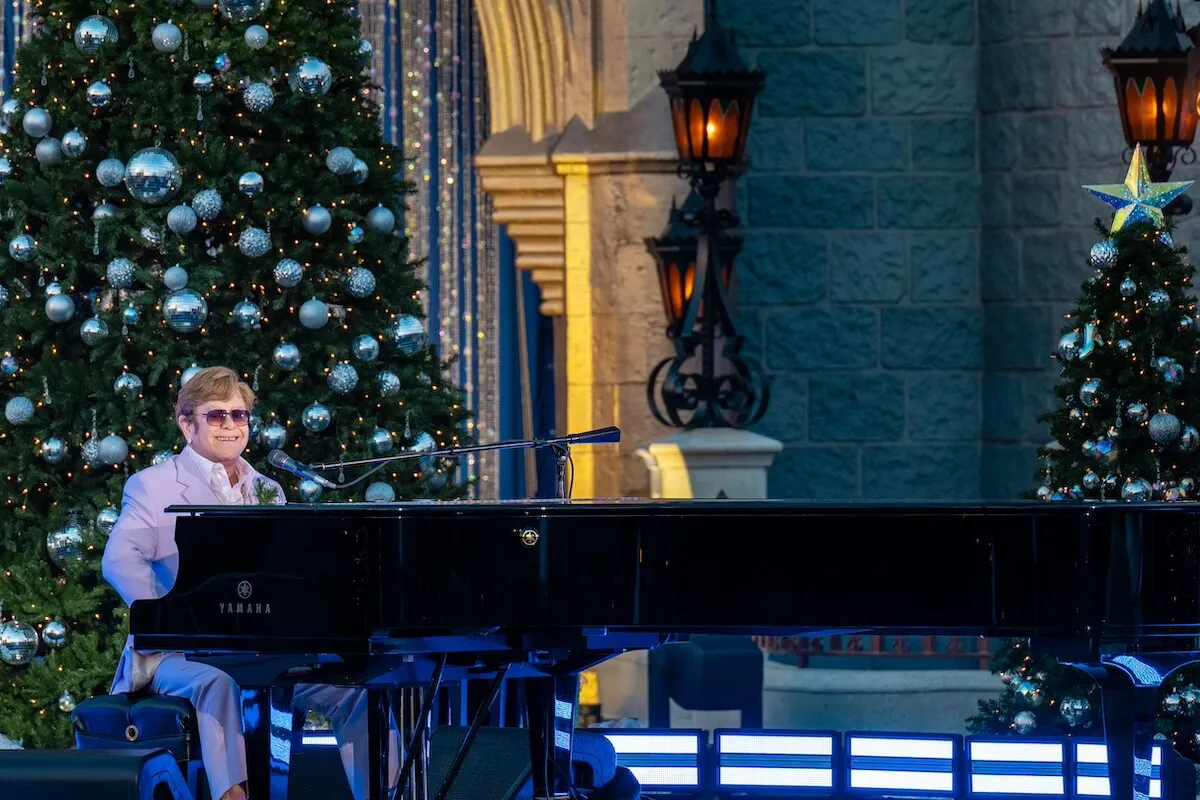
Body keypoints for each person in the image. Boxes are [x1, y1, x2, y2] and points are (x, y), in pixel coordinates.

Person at [102, 366, 399, 800]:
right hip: (179, 651)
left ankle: (388, 792)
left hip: (259, 647)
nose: (230, 425)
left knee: (354, 692)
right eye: (216, 415)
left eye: (238, 416)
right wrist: (169, 615)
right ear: (187, 424)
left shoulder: (268, 489)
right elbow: (119, 560)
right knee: (218, 683)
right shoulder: (153, 485)